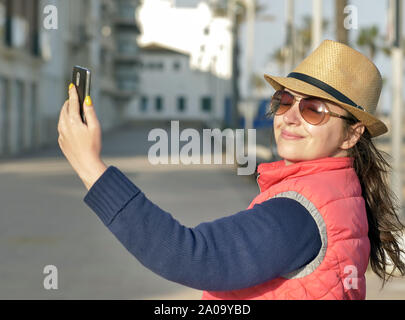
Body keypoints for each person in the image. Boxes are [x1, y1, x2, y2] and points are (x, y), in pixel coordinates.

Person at [57, 40, 405, 300]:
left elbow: (193, 255)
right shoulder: (339, 191)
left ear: (352, 134)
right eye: (285, 100)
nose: (290, 117)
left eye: (315, 109)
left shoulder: (300, 212)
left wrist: (91, 167)